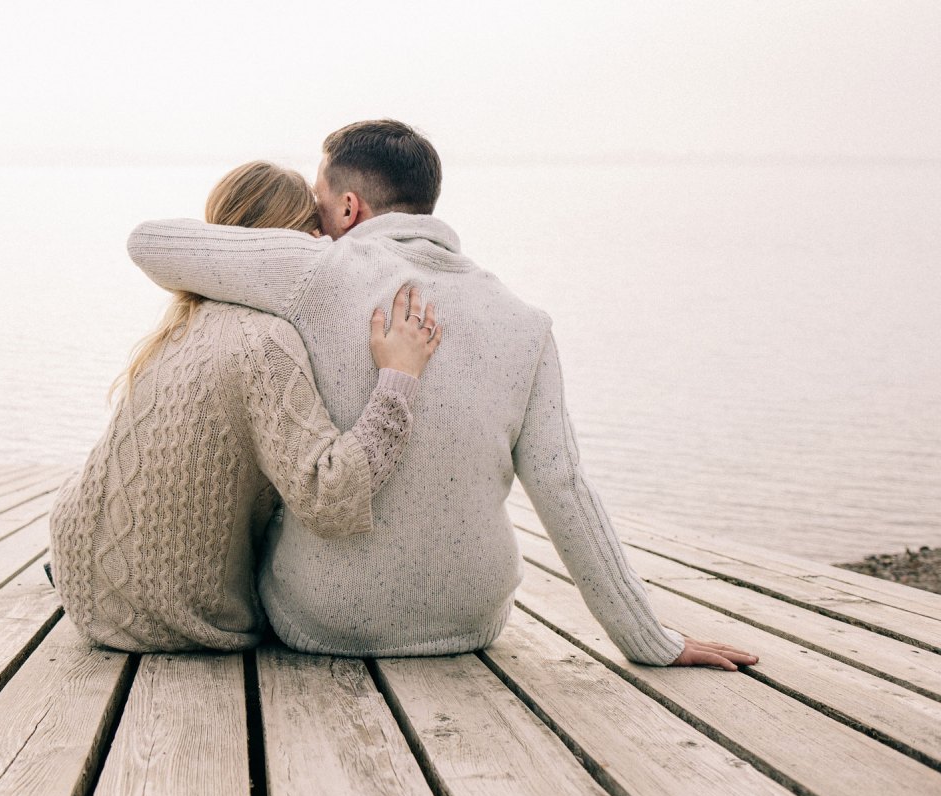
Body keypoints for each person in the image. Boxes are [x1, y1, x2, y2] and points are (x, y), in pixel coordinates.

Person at [126, 120, 758, 670]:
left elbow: (149, 243)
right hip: (470, 624)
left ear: (348, 209)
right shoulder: (525, 322)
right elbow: (564, 488)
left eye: (318, 210)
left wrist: (288, 247)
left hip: (322, 622)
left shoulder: (316, 273)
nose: (313, 229)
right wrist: (653, 640)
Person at [48, 161, 441, 653]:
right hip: (167, 616)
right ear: (289, 243)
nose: (326, 247)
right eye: (315, 233)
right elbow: (330, 498)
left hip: (80, 575)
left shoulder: (180, 324)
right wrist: (398, 381)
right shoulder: (266, 341)